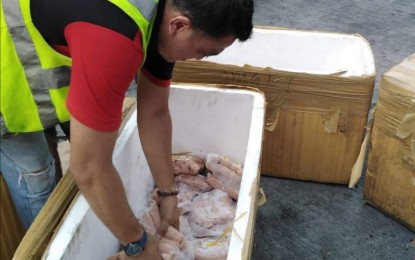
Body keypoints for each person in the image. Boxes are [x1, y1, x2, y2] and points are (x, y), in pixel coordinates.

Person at [1, 0, 254, 258]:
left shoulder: (163, 20)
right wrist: (138, 243)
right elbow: (88, 168)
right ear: (179, 25)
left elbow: (154, 113)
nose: (199, 59)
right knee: (37, 175)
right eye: (204, 51)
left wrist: (168, 195)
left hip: (49, 46)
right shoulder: (112, 38)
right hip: (6, 72)